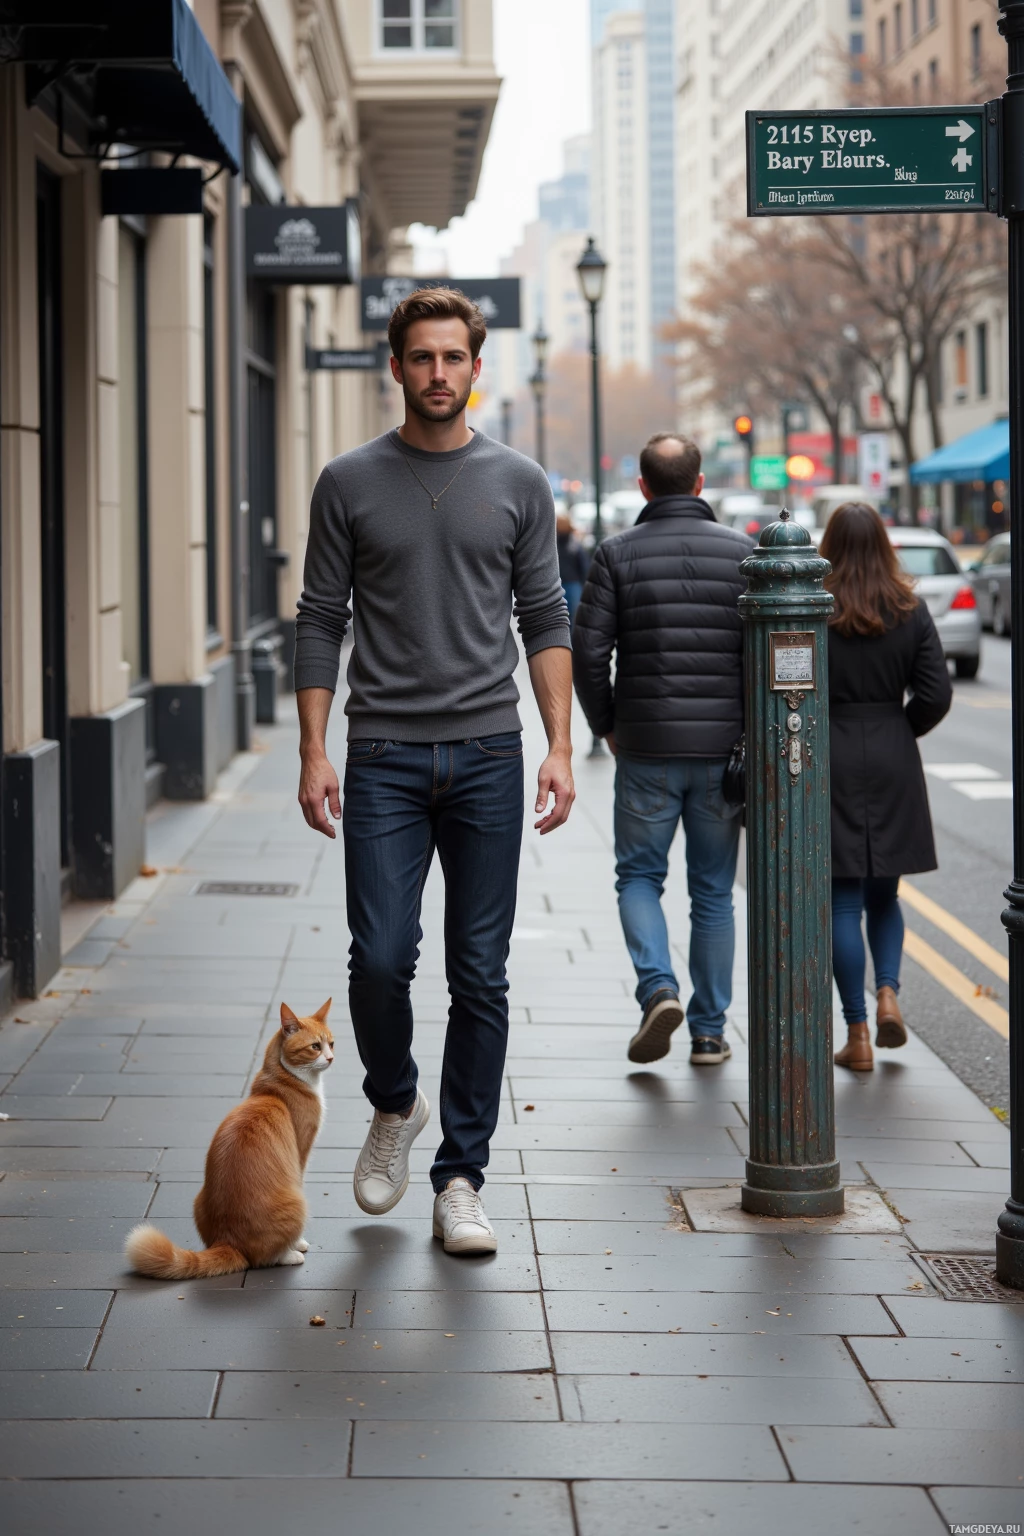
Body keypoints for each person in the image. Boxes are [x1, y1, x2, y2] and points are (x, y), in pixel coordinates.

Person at [293, 287, 575, 1253]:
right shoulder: (348, 481)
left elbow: (545, 618)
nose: (439, 374)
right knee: (378, 960)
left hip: (492, 753)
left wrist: (562, 748)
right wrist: (312, 750)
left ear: (476, 367)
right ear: (397, 366)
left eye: (454, 358)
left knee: (481, 974)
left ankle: (461, 1176)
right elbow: (320, 618)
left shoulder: (519, 483)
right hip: (381, 755)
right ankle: (393, 1102)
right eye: (422, 358)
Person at [572, 434, 752, 1066]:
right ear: (700, 483)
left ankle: (657, 989)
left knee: (640, 876)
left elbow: (589, 653)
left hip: (645, 746)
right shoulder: (745, 554)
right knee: (712, 892)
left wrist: (606, 725)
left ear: (644, 486)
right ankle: (708, 1032)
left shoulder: (616, 555)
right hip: (722, 754)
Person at [819, 501, 952, 1072]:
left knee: (842, 900)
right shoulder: (909, 608)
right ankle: (889, 992)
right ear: (884, 545)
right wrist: (901, 729)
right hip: (893, 752)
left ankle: (857, 1033)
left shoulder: (816, 606)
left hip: (832, 752)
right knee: (885, 896)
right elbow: (936, 694)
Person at [556, 510, 589, 626]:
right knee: (572, 618)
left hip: (560, 584)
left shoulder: (554, 544)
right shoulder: (575, 544)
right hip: (571, 584)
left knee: (559, 619)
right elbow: (583, 567)